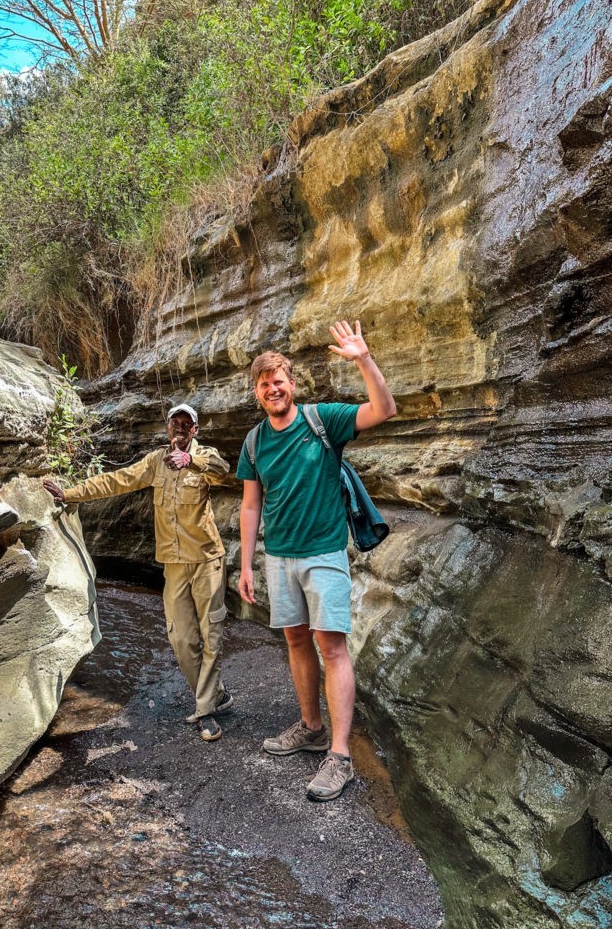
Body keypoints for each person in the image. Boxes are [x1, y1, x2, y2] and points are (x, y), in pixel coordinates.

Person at [236, 320, 396, 800]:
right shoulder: (253, 442)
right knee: (297, 643)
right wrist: (246, 564)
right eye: (264, 385)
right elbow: (250, 505)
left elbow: (383, 409)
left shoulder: (321, 419)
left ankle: (340, 756)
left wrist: (363, 358)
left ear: (291, 384)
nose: (273, 389)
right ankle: (311, 727)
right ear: (258, 393)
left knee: (332, 649)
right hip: (279, 558)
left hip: (324, 553)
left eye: (278, 380)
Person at [44, 403, 233, 743]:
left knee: (211, 634)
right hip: (174, 564)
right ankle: (217, 694)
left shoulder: (206, 455)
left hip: (207, 560)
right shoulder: (154, 462)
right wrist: (70, 493)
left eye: (185, 423)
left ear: (195, 431)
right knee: (180, 637)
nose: (179, 427)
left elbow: (224, 471)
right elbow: (116, 481)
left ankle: (206, 710)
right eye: (174, 422)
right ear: (167, 428)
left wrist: (192, 461)